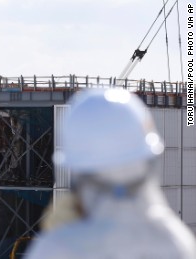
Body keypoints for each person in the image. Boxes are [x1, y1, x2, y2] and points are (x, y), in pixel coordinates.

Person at [25, 88, 196, 259]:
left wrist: (60, 238)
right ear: (149, 162)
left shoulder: (56, 249)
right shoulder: (176, 243)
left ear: (76, 172)